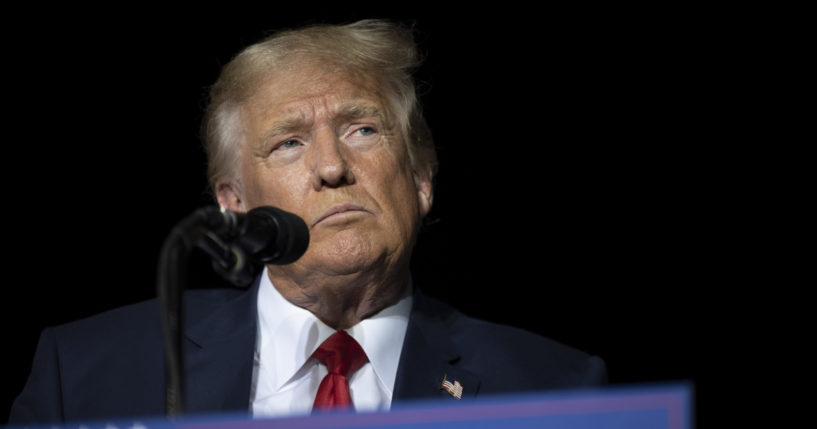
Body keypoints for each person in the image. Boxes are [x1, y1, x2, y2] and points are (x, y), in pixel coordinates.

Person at [8, 19, 607, 425]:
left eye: (362, 129)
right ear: (233, 204)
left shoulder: (555, 390)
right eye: (289, 143)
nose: (330, 167)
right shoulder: (85, 372)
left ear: (421, 179)